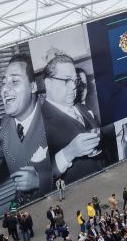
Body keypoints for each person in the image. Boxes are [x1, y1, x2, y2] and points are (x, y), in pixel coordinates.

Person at [0, 54, 55, 207]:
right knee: (10, 223)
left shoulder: (53, 117)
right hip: (18, 204)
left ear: (33, 87)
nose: (5, 89)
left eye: (14, 81)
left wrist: (41, 180)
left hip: (54, 203)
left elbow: (85, 168)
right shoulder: (2, 126)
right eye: (3, 83)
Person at [41, 52, 104, 183]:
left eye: (75, 80)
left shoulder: (82, 108)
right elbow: (40, 176)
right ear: (48, 84)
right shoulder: (39, 122)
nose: (74, 86)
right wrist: (69, 152)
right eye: (66, 80)